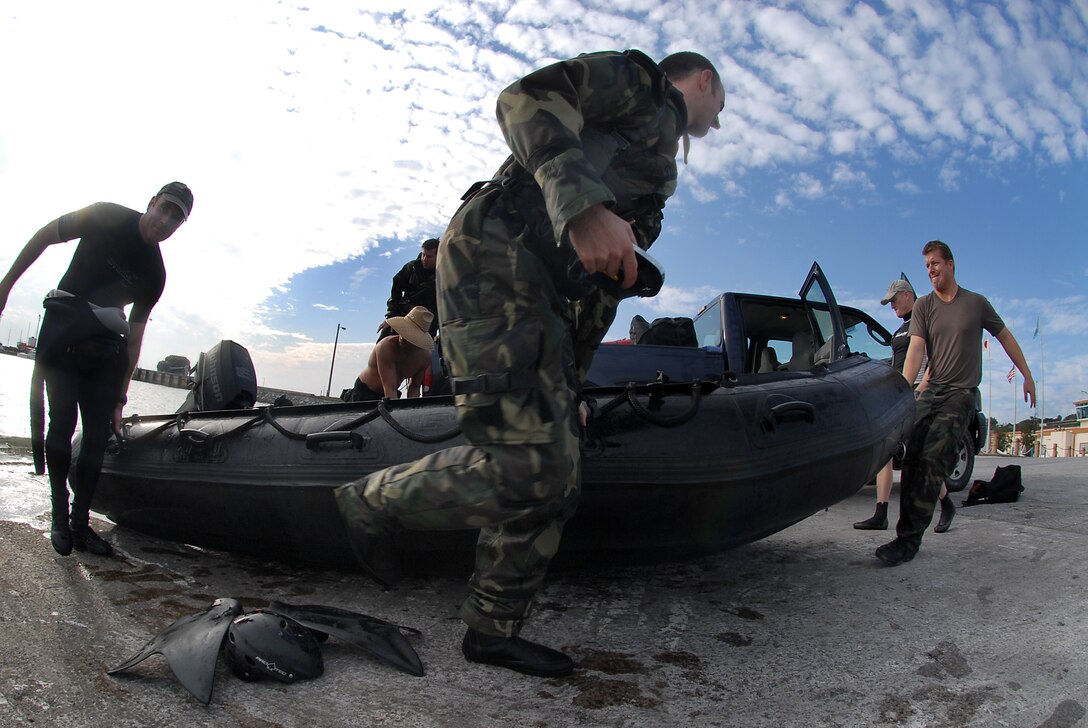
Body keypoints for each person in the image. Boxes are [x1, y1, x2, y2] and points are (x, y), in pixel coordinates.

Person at [335, 49, 725, 678]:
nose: (716, 123)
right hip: (496, 252)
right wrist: (583, 206)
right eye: (719, 107)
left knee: (557, 472)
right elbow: (523, 98)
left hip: (543, 292)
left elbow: (598, 282)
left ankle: (491, 628)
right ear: (703, 81)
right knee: (532, 466)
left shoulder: (654, 175)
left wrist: (570, 378)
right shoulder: (640, 87)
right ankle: (373, 501)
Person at [0, 182, 193, 557]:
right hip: (64, 332)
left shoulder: (155, 275)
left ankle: (79, 522)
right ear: (151, 203)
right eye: (165, 209)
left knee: (96, 437)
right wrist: (7, 284)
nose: (166, 221)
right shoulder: (106, 215)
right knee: (60, 423)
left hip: (105, 349)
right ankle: (59, 514)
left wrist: (121, 397)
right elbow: (44, 235)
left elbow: (134, 339)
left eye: (176, 218)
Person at [876, 240, 1035, 566]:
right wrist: (905, 394)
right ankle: (941, 507)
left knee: (933, 459)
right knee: (913, 456)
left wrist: (1027, 375)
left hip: (960, 394)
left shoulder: (976, 304)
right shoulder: (923, 306)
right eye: (926, 266)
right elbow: (916, 351)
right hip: (930, 391)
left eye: (935, 263)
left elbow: (1005, 337)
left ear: (950, 264)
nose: (931, 270)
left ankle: (907, 541)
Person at [854, 279, 955, 532]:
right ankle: (881, 514)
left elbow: (934, 360)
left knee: (920, 455)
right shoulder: (900, 330)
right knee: (884, 453)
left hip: (916, 394)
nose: (891, 306)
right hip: (897, 394)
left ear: (908, 295)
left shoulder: (924, 322)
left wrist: (921, 388)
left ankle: (947, 504)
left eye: (893, 300)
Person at [348, 306, 434, 401]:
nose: (402, 338)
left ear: (419, 339)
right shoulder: (386, 347)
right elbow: (390, 388)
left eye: (410, 335)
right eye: (403, 331)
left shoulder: (425, 357)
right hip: (365, 392)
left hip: (391, 394)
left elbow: (415, 387)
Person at [378, 238, 439, 340]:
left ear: (438, 256)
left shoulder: (444, 274)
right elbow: (396, 289)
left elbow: (448, 305)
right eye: (423, 254)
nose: (424, 259)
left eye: (429, 256)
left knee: (423, 351)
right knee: (385, 340)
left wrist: (442, 332)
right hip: (405, 313)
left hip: (427, 321)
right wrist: (391, 317)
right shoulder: (411, 268)